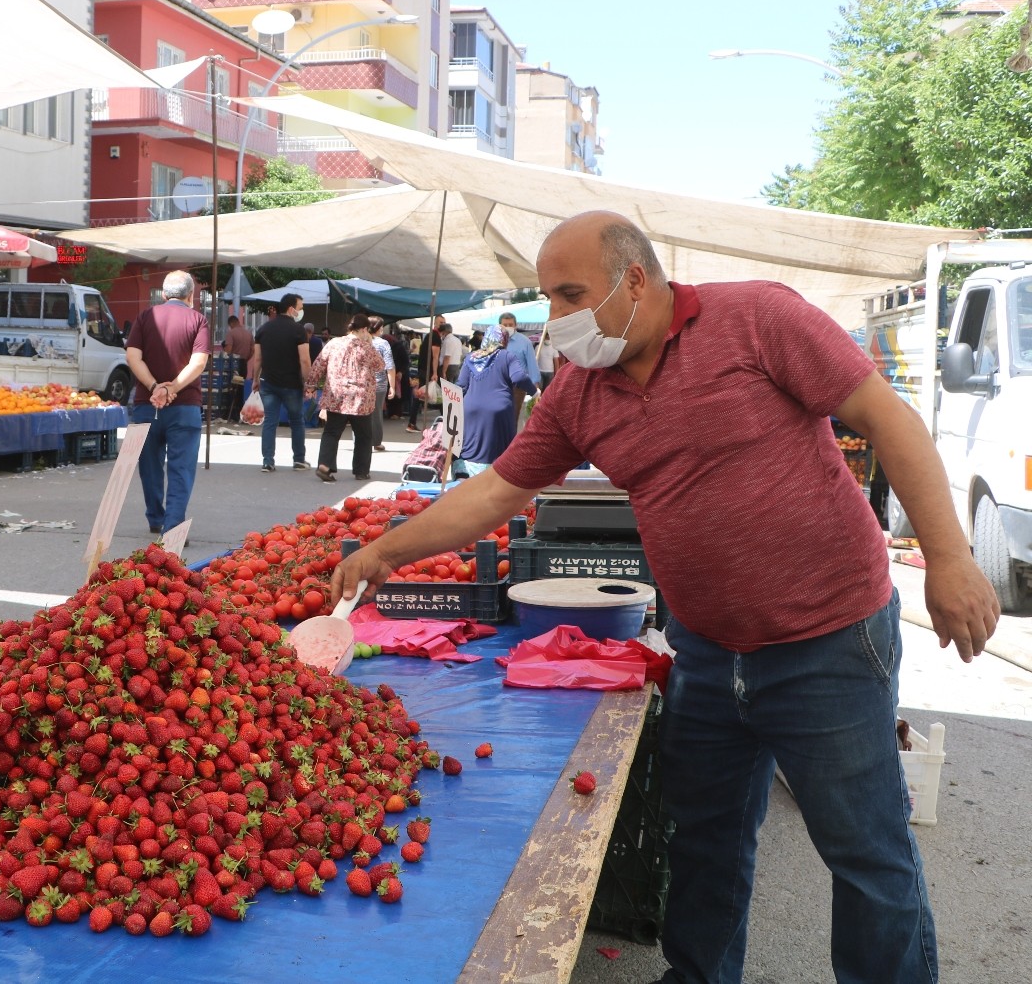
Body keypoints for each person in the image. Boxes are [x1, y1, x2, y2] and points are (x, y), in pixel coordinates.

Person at [330, 211, 999, 984]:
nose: (558, 319)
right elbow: (489, 494)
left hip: (828, 639)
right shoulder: (580, 393)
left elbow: (889, 420)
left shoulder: (756, 319)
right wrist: (385, 549)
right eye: (548, 298)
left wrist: (948, 559)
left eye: (572, 294)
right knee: (705, 842)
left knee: (866, 853)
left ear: (635, 279)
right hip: (708, 651)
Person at [124, 271, 210, 540]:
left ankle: (155, 518)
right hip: (185, 406)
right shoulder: (198, 320)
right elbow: (198, 362)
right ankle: (172, 525)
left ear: (163, 295)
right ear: (191, 296)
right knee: (181, 467)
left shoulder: (145, 317)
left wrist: (154, 387)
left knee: (148, 464)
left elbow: (132, 356)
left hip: (146, 404)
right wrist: (173, 387)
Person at [307, 313, 383, 482]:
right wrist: (369, 343)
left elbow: (318, 365)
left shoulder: (333, 343)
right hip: (361, 398)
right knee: (363, 435)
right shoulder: (366, 348)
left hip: (337, 395)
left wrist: (311, 385)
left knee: (332, 432)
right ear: (364, 329)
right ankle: (361, 471)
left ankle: (324, 466)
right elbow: (380, 366)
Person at [453, 327, 534, 475]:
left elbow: (461, 386)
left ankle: (470, 477)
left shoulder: (471, 357)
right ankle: (493, 479)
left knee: (472, 446)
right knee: (498, 452)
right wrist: (535, 392)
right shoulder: (506, 356)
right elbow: (519, 378)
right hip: (498, 410)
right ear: (503, 340)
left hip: (471, 409)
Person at [245, 293, 311, 473]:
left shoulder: (264, 329)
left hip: (269, 383)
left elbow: (258, 359)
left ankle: (268, 461)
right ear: (291, 309)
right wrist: (309, 383)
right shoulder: (299, 330)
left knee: (270, 422)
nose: (301, 311)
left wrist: (255, 379)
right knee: (297, 421)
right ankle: (299, 460)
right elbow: (304, 361)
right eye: (300, 307)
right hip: (292, 384)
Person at [498, 311, 542, 427]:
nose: (508, 327)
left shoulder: (524, 342)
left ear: (515, 325)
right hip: (497, 384)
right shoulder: (494, 341)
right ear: (500, 326)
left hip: (517, 386)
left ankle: (510, 443)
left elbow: (532, 364)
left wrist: (535, 386)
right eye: (505, 325)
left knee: (512, 417)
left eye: (510, 324)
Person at [366, 316, 396, 452]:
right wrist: (393, 387)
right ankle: (376, 442)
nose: (382, 329)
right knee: (376, 413)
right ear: (376, 328)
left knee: (359, 413)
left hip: (361, 384)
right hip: (379, 384)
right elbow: (390, 366)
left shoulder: (359, 341)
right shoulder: (383, 343)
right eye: (381, 327)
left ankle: (360, 442)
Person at [221, 314, 254, 422]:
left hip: (234, 366)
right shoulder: (248, 333)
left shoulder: (231, 333)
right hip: (243, 365)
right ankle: (239, 412)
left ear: (231, 323)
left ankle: (233, 413)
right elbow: (252, 350)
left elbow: (229, 349)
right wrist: (246, 359)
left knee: (232, 389)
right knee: (240, 389)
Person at [386, 325, 411, 420]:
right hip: (391, 373)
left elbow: (406, 361)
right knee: (393, 394)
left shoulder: (399, 347)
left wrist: (401, 371)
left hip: (399, 374)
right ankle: (391, 413)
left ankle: (396, 413)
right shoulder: (391, 347)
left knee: (397, 394)